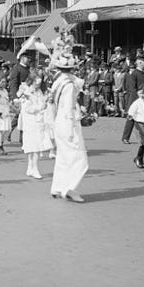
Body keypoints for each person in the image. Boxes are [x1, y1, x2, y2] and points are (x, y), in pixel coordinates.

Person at [49, 53, 88, 203]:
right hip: (68, 122)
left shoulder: (58, 82)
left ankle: (57, 187)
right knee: (79, 158)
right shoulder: (69, 85)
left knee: (63, 156)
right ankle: (69, 189)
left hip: (59, 121)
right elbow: (69, 107)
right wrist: (71, 127)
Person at [20, 75, 52, 179]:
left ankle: (31, 168)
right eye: (36, 83)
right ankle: (34, 168)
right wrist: (40, 107)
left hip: (38, 120)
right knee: (33, 146)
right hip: (30, 122)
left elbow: (42, 101)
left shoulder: (39, 92)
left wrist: (46, 100)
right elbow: (27, 108)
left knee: (36, 145)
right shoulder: (26, 93)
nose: (38, 85)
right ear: (31, 82)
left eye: (39, 83)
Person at [121, 59, 144, 144]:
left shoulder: (143, 73)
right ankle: (125, 137)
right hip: (135, 99)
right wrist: (138, 97)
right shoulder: (134, 73)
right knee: (131, 119)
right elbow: (132, 88)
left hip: (143, 98)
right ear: (139, 63)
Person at [8, 53, 30, 143]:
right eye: (26, 57)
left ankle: (21, 138)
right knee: (20, 116)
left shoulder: (28, 68)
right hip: (20, 95)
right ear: (22, 58)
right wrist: (14, 97)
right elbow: (13, 83)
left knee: (23, 117)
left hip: (28, 95)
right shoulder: (16, 69)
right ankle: (10, 132)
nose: (28, 59)